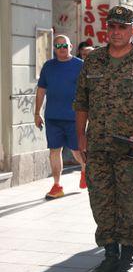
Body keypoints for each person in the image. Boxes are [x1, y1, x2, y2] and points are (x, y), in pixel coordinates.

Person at [74, 6, 133, 272]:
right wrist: (81, 135)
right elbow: (82, 102)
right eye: (112, 27)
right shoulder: (93, 60)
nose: (116, 32)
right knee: (100, 201)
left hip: (129, 148)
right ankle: (109, 255)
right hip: (97, 145)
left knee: (128, 202)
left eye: (122, 27)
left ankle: (127, 258)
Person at [35, 35, 86, 199]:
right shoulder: (48, 67)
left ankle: (85, 170)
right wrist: (37, 113)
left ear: (71, 46)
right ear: (54, 48)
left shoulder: (81, 65)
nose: (62, 48)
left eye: (65, 45)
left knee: (77, 151)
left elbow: (89, 91)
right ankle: (57, 185)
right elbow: (41, 90)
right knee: (54, 151)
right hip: (53, 117)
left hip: (74, 117)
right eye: (58, 45)